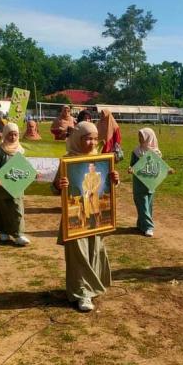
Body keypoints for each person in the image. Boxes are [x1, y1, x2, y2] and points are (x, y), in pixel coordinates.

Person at [52, 121, 119, 312]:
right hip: (75, 217)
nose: (93, 143)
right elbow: (54, 187)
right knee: (78, 254)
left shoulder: (101, 160)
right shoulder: (68, 161)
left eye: (95, 139)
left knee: (95, 250)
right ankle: (82, 292)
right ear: (77, 139)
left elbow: (105, 186)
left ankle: (93, 286)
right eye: (88, 139)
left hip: (95, 213)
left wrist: (114, 179)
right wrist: (59, 185)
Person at [128, 128, 173, 237]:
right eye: (139, 136)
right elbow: (132, 165)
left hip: (150, 183)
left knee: (148, 205)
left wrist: (168, 170)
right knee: (142, 204)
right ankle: (148, 226)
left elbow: (159, 166)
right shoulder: (136, 152)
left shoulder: (156, 152)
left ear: (149, 138)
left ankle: (142, 225)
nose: (140, 139)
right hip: (139, 183)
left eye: (142, 137)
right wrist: (131, 169)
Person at [0, 123, 30, 246]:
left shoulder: (20, 150)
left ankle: (19, 234)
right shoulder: (0, 150)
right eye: (10, 135)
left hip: (16, 184)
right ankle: (4, 231)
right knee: (3, 208)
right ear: (5, 135)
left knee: (17, 208)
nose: (13, 137)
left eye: (15, 135)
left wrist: (31, 173)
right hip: (2, 185)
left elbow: (24, 167)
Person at [82, 163, 102, 228]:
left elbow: (98, 184)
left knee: (94, 209)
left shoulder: (97, 175)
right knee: (89, 210)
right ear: (88, 167)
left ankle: (95, 224)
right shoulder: (86, 175)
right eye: (90, 166)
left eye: (92, 166)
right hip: (88, 194)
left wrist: (92, 191)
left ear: (95, 167)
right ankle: (91, 225)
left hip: (94, 194)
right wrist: (87, 190)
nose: (91, 167)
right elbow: (84, 184)